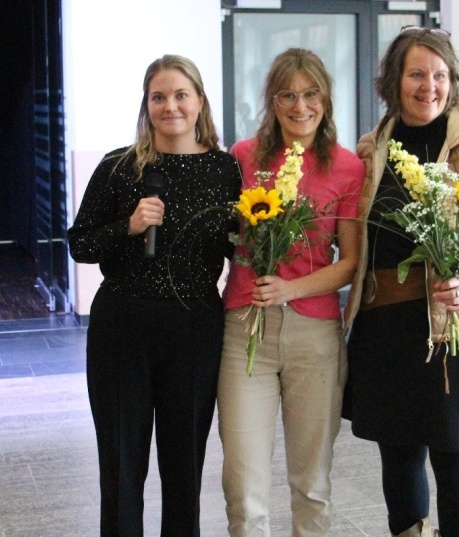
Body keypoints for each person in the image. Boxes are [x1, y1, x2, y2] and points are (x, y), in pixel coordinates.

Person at [343, 26, 459, 537]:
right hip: (387, 334)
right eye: (416, 73)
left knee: (458, 462)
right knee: (398, 460)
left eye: (439, 75)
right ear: (393, 82)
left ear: (453, 81)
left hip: (458, 335)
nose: (429, 86)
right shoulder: (372, 151)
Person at [67, 54, 241, 536]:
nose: (171, 106)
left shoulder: (226, 171)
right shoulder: (120, 167)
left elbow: (239, 244)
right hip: (122, 327)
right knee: (122, 467)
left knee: (184, 466)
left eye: (181, 95)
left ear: (200, 101)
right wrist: (129, 225)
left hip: (194, 328)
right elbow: (80, 242)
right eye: (158, 97)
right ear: (146, 105)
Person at [218, 48, 365, 536]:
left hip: (315, 334)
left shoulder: (346, 167)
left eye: (310, 94)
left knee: (312, 484)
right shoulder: (244, 157)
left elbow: (349, 263)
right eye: (287, 95)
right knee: (244, 488)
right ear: (272, 100)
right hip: (245, 332)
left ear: (325, 98)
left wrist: (289, 288)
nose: (300, 106)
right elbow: (230, 235)